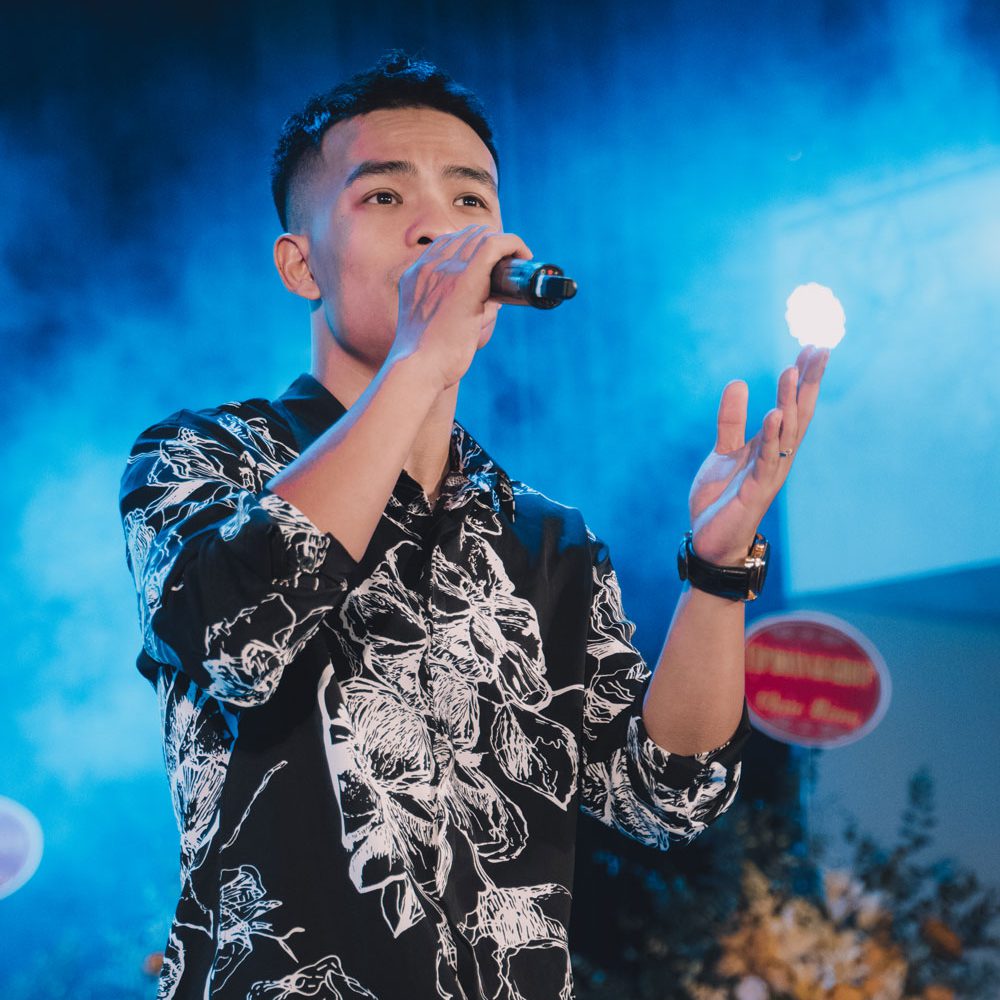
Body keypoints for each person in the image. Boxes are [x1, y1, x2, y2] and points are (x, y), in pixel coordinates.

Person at [120, 50, 828, 1000]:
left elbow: (666, 795)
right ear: (300, 265)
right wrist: (417, 362)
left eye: (469, 200)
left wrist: (717, 571)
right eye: (383, 197)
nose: (437, 229)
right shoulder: (202, 457)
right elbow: (235, 638)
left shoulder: (545, 537)